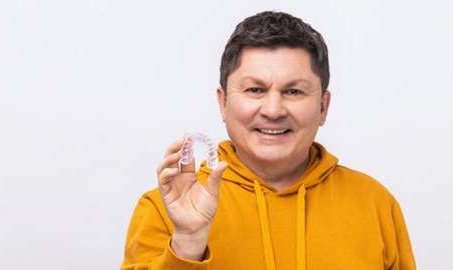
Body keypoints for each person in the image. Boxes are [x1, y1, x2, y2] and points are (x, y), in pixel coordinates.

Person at [121, 11, 416, 270]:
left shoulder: (375, 203)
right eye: (254, 90)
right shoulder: (163, 209)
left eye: (294, 92)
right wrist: (188, 242)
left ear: (323, 107)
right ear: (223, 103)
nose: (273, 110)